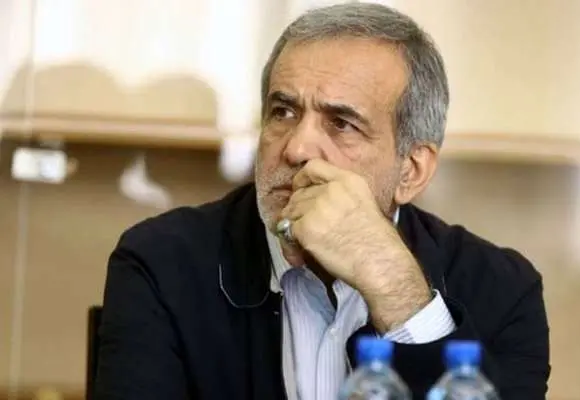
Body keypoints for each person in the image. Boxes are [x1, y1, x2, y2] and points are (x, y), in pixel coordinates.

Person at [93, 3, 550, 399]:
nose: (295, 149)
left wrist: (394, 286)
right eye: (283, 112)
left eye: (341, 123)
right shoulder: (161, 262)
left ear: (411, 171)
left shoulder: (502, 290)